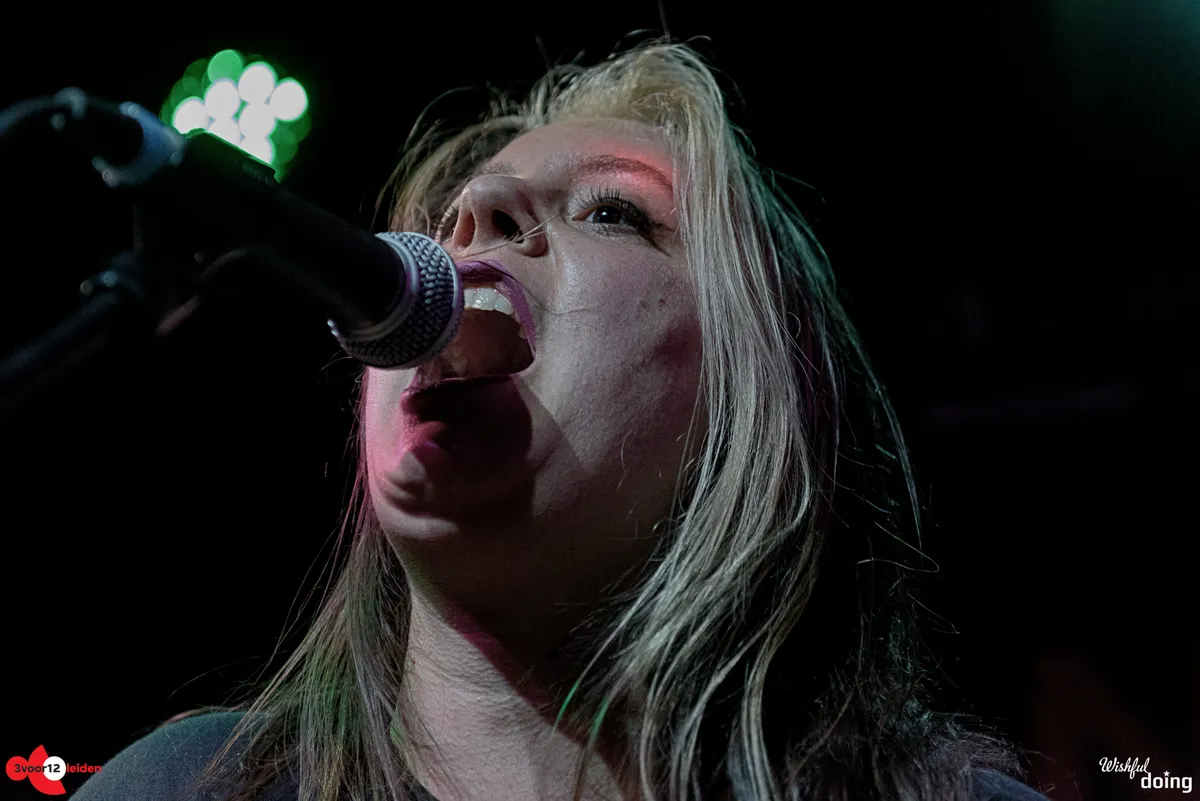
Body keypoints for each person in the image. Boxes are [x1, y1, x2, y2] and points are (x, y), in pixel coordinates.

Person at [73, 38, 1051, 801]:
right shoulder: (185, 787)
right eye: (446, 223)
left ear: (763, 399)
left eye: (613, 212)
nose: (476, 211)